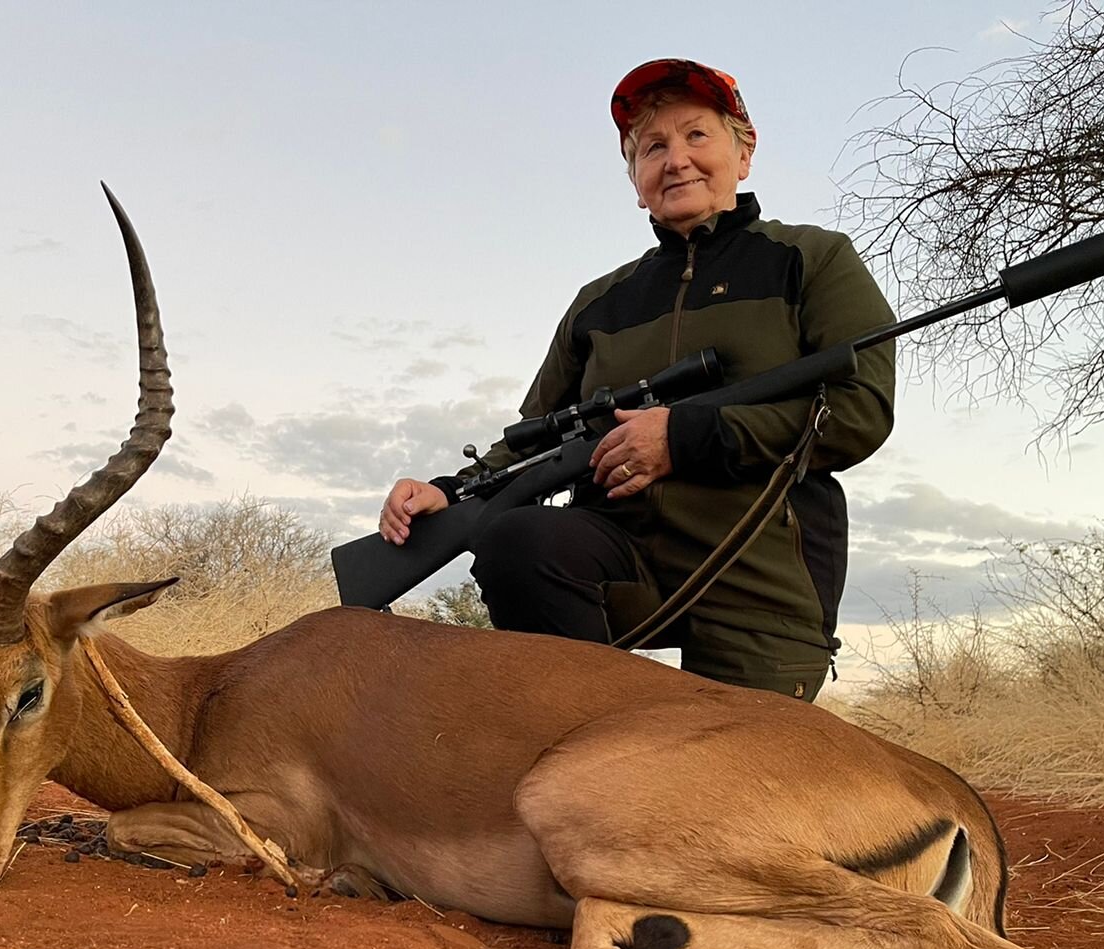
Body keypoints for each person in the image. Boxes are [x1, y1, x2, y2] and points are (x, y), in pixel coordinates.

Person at [378, 59, 896, 701]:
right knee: (519, 540)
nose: (676, 160)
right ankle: (588, 724)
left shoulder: (814, 260)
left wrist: (686, 437)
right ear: (635, 179)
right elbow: (534, 439)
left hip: (757, 572)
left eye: (697, 136)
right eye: (652, 147)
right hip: (619, 558)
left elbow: (860, 411)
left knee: (731, 786)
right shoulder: (599, 302)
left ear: (745, 151)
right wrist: (450, 494)